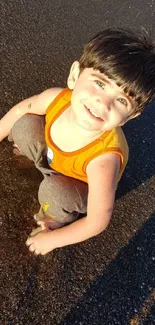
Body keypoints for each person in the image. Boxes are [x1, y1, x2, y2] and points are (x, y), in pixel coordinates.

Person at [0, 29, 155, 255]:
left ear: (131, 116)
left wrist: (53, 239)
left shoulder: (104, 160)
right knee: (24, 125)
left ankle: (55, 217)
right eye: (100, 84)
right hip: (51, 155)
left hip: (76, 184)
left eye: (122, 100)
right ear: (75, 75)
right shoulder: (56, 98)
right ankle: (36, 159)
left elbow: (97, 220)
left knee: (56, 194)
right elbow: (21, 110)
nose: (102, 103)